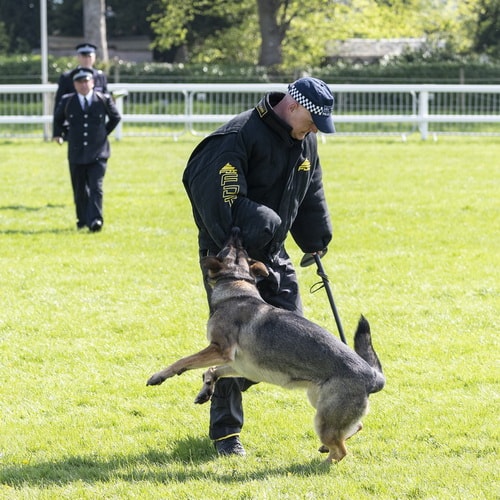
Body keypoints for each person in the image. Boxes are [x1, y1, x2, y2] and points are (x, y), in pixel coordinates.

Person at [182, 76, 336, 456]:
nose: (315, 128)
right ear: (293, 106)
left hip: (275, 254)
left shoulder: (305, 139)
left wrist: (316, 241)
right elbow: (218, 203)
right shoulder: (234, 139)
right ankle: (225, 435)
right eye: (313, 119)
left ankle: (222, 374)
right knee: (234, 345)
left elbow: (309, 189)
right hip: (232, 262)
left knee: (293, 340)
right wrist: (255, 235)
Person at [52, 68, 121, 232]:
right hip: (76, 153)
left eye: (86, 81)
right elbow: (58, 119)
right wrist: (65, 134)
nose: (83, 85)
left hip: (98, 152)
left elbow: (115, 117)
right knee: (80, 188)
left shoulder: (102, 99)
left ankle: (96, 220)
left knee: (96, 187)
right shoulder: (68, 101)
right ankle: (82, 219)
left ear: (92, 82)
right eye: (79, 82)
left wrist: (103, 133)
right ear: (74, 85)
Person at [54, 43, 108, 111]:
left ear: (94, 57)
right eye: (84, 56)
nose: (87, 59)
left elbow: (105, 97)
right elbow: (59, 101)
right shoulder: (67, 77)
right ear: (78, 57)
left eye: (89, 56)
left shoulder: (100, 76)